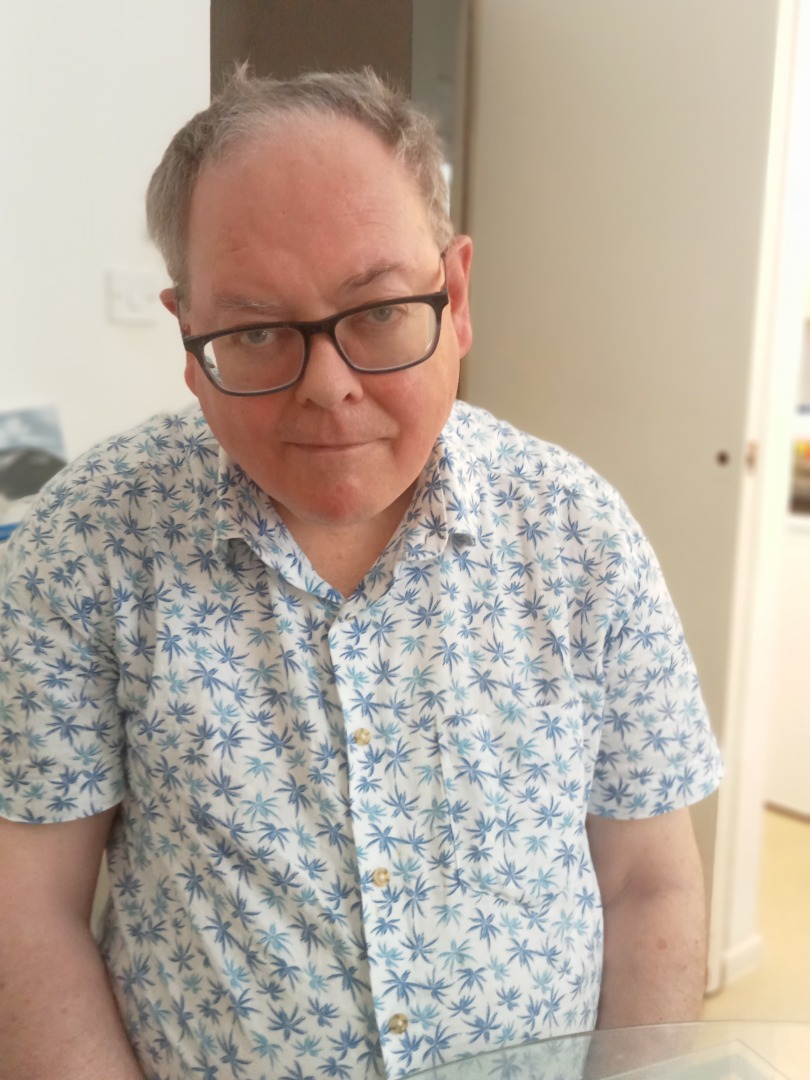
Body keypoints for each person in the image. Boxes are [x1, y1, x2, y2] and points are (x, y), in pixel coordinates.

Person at [0, 68, 722, 1080]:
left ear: (455, 296)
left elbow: (651, 880)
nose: (330, 390)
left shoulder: (579, 537)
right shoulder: (85, 547)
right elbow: (25, 909)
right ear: (187, 331)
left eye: (378, 311)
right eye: (254, 331)